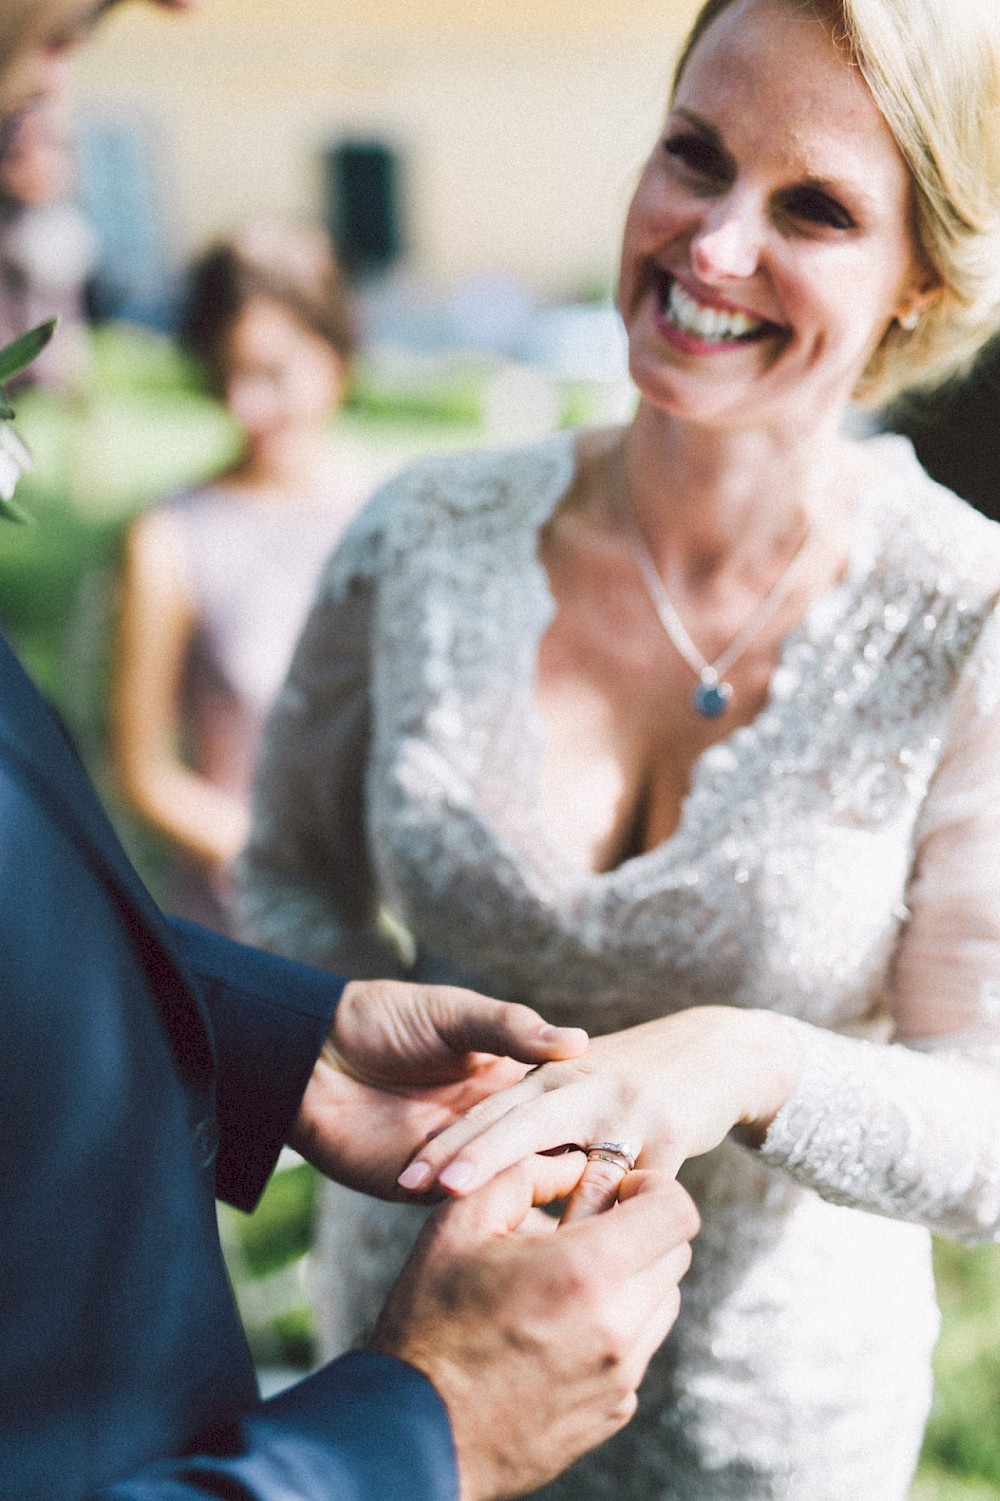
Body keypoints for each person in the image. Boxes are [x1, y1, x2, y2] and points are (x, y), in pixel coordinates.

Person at [238, 0, 1000, 1496]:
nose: (711, 249)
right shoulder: (422, 539)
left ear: (922, 277)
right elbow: (284, 879)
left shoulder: (967, 621)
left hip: (763, 1433)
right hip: (404, 1385)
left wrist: (750, 1059)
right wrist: (373, 1065)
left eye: (814, 208)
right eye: (694, 157)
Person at [0, 3, 701, 1498]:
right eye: (52, 42)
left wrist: (288, 1041)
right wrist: (413, 1433)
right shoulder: (172, 540)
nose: (51, 123)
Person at [114, 223, 379, 932]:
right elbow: (143, 769)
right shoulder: (171, 537)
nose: (243, 405)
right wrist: (272, 854)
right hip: (236, 929)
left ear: (337, 354)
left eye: (272, 372)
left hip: (373, 929)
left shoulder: (390, 518)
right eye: (225, 373)